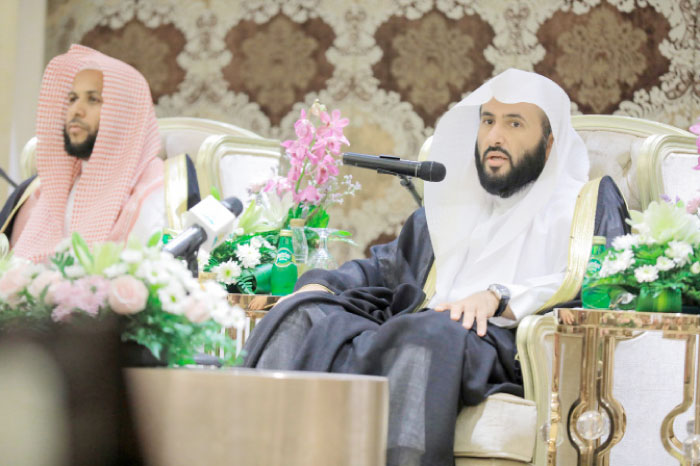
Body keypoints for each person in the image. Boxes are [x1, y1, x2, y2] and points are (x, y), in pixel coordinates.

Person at [244, 69, 590, 465]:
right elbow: (386, 267)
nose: (495, 137)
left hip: (496, 342)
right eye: (488, 121)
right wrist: (322, 284)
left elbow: (594, 282)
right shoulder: (452, 209)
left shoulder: (580, 205)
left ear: (548, 145)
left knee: (425, 331)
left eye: (515, 124)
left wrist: (498, 296)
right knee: (301, 313)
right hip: (423, 325)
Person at [0, 45, 198, 263]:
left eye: (93, 99)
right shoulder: (40, 191)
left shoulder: (156, 187)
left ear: (123, 113)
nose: (76, 110)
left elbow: (149, 274)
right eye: (72, 98)